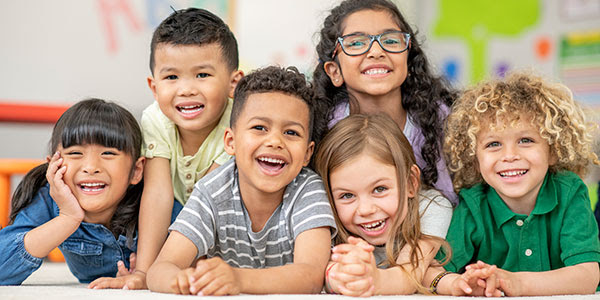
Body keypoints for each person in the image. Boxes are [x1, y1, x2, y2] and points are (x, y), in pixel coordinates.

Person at [146, 66, 337, 295]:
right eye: (259, 128)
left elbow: (311, 277)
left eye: (291, 133)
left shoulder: (307, 191)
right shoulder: (212, 191)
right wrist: (186, 280)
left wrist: (237, 278)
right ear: (231, 141)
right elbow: (159, 270)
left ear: (307, 153)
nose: (275, 141)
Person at [91, 8, 244, 290]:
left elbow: (208, 199)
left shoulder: (238, 121)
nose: (186, 89)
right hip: (174, 217)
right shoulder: (156, 118)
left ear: (234, 83)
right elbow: (158, 193)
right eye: (171, 77)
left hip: (224, 218)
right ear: (154, 86)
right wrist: (146, 271)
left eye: (202, 75)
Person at [427, 72, 600, 296]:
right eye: (493, 144)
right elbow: (431, 270)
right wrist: (458, 284)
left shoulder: (570, 191)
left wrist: (517, 284)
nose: (509, 155)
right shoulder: (473, 204)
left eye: (525, 140)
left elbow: (587, 276)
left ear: (553, 151)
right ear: (475, 158)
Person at [312, 0, 458, 206]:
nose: (376, 51)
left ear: (408, 59)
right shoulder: (322, 128)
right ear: (335, 72)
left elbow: (456, 201)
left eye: (390, 41)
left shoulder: (443, 121)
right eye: (356, 43)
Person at [0, 99, 144, 285]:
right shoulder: (49, 199)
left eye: (108, 153)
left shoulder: (153, 199)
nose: (91, 167)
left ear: (136, 170)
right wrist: (67, 218)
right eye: (75, 153)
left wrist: (149, 272)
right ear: (53, 165)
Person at [314, 114, 459, 296]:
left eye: (380, 189)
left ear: (410, 182)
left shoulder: (431, 207)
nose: (366, 210)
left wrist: (373, 280)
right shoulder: (325, 218)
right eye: (347, 195)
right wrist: (342, 276)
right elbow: (324, 277)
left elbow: (408, 276)